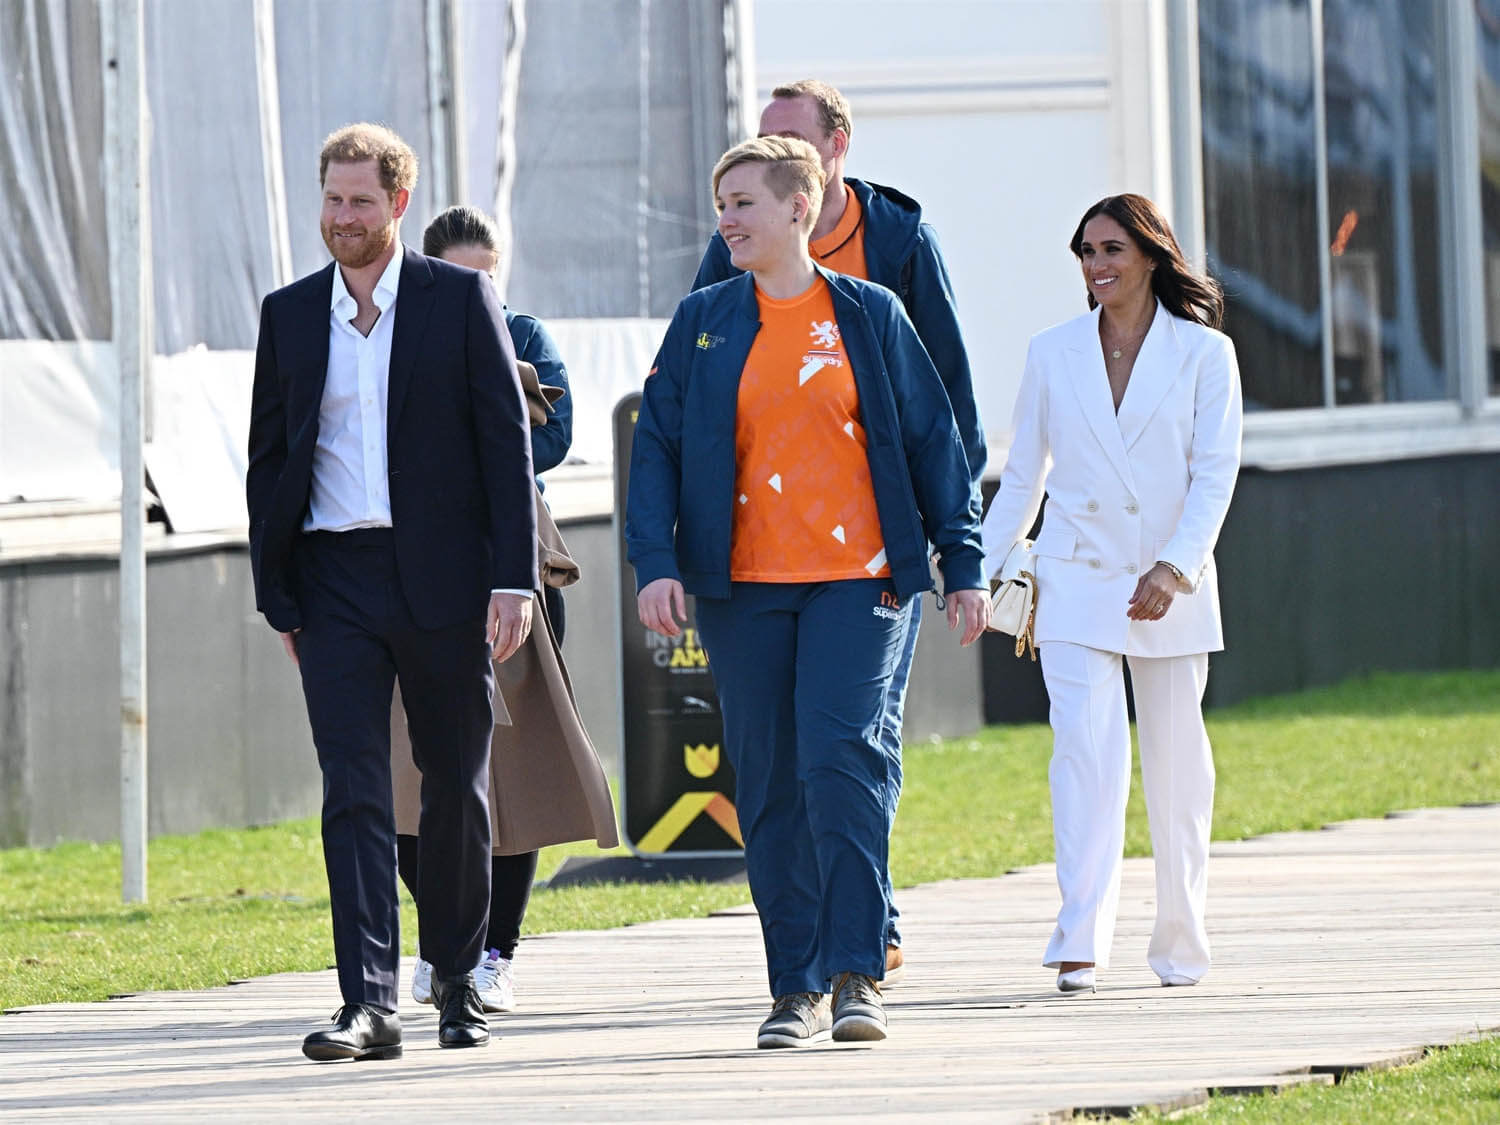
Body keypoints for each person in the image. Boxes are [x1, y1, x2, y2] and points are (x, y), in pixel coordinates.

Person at [628, 135, 988, 1047]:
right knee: (769, 781)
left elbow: (933, 439)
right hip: (742, 588)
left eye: (743, 203)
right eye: (722, 205)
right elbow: (658, 444)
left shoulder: (869, 313)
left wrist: (962, 561)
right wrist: (654, 561)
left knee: (839, 760)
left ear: (800, 206)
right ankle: (795, 985)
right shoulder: (704, 319)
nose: (726, 221)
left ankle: (859, 971)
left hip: (858, 582)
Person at [246, 124, 537, 1060]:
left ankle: (455, 979)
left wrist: (514, 577)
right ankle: (367, 1001)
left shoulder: (459, 300)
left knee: (455, 783)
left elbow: (505, 443)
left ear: (398, 204)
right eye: (333, 199)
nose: (343, 217)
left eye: (360, 201)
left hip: (447, 579)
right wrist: (278, 592)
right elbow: (268, 460)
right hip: (333, 581)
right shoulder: (290, 313)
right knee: (354, 788)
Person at [980, 193, 1242, 994]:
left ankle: (1181, 939)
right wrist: (978, 572)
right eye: (1087, 252)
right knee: (1084, 756)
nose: (1097, 265)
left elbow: (1215, 474)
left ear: (1151, 255)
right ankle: (1079, 938)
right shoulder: (1053, 351)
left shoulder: (1205, 355)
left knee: (1177, 770)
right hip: (1075, 575)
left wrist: (1176, 566)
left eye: (1112, 250)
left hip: (1170, 583)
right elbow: (1024, 474)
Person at [392, 204, 616, 1015]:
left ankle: (495, 952)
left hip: (515, 562)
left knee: (514, 769)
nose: (477, 296)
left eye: (489, 280)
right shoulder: (392, 335)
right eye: (460, 280)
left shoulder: (523, 334)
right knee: (409, 768)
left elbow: (552, 438)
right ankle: (443, 939)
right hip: (412, 566)